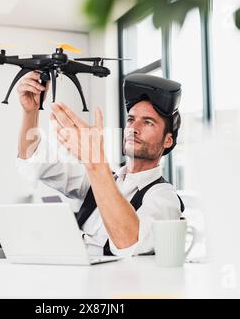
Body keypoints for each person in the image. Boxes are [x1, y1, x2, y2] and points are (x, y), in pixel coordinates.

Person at [16, 71, 184, 257]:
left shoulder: (164, 198)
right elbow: (34, 160)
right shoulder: (101, 179)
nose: (133, 129)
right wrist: (30, 112)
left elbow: (130, 244)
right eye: (130, 120)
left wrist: (96, 162)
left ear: (168, 140)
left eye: (148, 122)